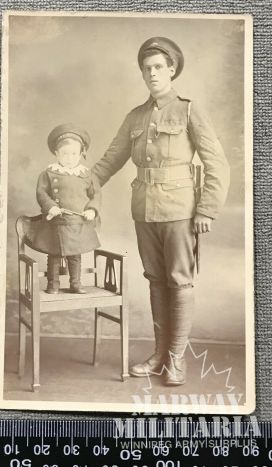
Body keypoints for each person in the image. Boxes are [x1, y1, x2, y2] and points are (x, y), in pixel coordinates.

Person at [92, 37, 230, 386]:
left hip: (182, 211)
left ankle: (177, 360)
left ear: (171, 70)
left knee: (180, 282)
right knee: (155, 281)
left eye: (158, 67)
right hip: (144, 211)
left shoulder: (188, 110)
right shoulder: (135, 116)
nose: (152, 73)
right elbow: (110, 160)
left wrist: (207, 210)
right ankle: (159, 355)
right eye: (146, 68)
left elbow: (217, 164)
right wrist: (79, 185)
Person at [35, 123, 101, 294]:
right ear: (57, 153)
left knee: (75, 255)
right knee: (54, 255)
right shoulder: (49, 173)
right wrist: (51, 207)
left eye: (73, 153)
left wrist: (92, 210)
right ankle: (53, 284)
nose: (69, 157)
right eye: (65, 153)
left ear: (81, 154)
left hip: (78, 222)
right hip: (56, 221)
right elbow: (41, 193)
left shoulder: (86, 174)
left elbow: (97, 195)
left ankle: (76, 283)